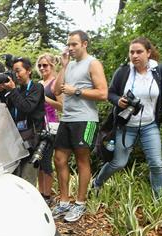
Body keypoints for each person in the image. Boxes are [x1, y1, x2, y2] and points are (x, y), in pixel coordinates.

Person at [93, 37, 162, 197]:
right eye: (132, 52)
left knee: (156, 164)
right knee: (118, 163)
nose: (135, 55)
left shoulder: (160, 71)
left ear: (148, 53)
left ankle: (159, 203)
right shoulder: (123, 71)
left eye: (139, 52)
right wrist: (117, 101)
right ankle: (97, 183)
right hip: (127, 126)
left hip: (150, 125)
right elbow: (111, 92)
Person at [52, 30, 108, 222]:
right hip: (67, 119)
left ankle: (80, 203)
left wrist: (76, 91)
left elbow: (103, 94)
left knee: (82, 160)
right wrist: (64, 67)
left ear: (84, 44)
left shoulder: (93, 63)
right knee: (59, 159)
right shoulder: (70, 65)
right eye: (69, 44)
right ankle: (64, 202)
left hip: (86, 119)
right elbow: (55, 89)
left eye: (74, 44)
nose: (70, 48)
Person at [0, 57, 46, 176]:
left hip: (31, 139)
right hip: (14, 139)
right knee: (13, 177)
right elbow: (4, 112)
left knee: (27, 177)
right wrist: (2, 92)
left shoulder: (37, 88)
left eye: (18, 71)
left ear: (28, 71)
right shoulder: (16, 90)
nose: (16, 75)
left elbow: (27, 107)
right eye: (13, 72)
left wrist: (13, 91)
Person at [36, 53, 63, 205]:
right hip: (38, 125)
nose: (42, 68)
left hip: (52, 125)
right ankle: (41, 193)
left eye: (45, 65)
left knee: (46, 159)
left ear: (52, 66)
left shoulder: (55, 83)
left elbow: (62, 105)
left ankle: (47, 195)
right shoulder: (39, 83)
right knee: (39, 160)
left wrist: (44, 98)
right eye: (40, 65)